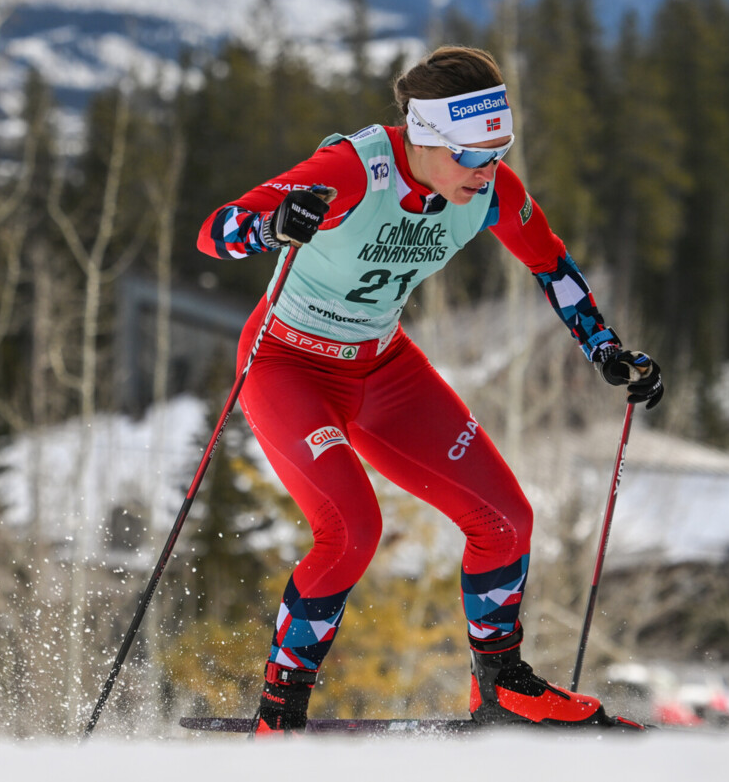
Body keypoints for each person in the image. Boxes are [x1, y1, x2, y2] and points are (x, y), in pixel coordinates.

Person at [196, 45, 664, 734]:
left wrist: (606, 350)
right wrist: (269, 225)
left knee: (506, 519)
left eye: (498, 151)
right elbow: (214, 233)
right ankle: (280, 711)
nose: (487, 171)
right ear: (425, 137)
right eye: (472, 154)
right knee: (352, 528)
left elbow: (551, 263)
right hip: (288, 366)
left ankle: (501, 686)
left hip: (383, 366)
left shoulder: (490, 192)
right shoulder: (354, 170)